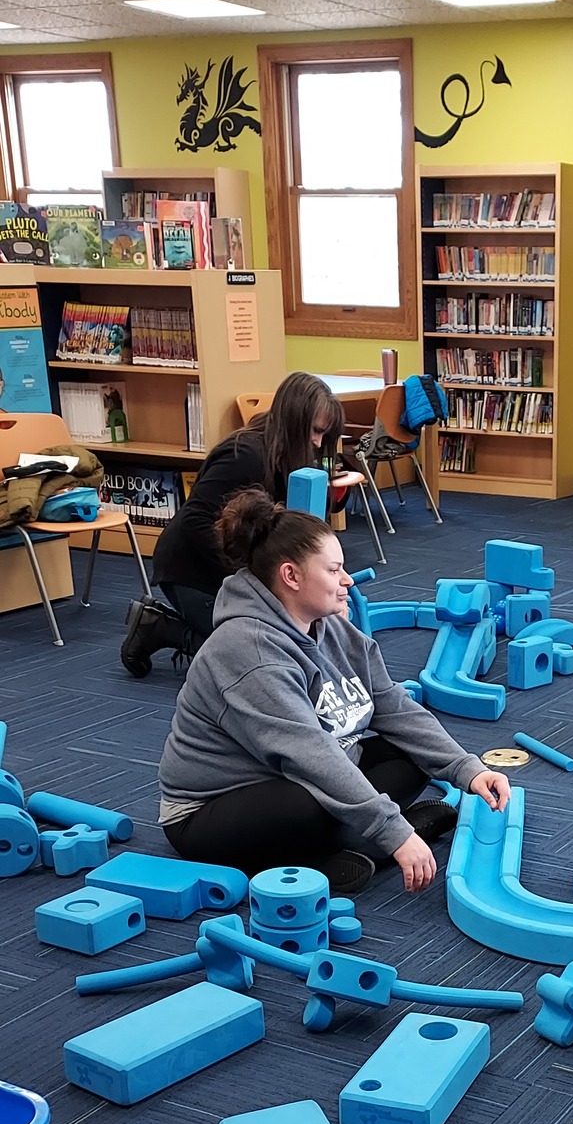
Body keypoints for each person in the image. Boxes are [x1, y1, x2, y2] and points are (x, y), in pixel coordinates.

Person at [158, 488, 509, 895]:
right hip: (211, 810)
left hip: (302, 770)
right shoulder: (248, 650)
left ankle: (355, 844)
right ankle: (335, 855)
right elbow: (309, 754)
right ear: (291, 576)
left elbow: (394, 706)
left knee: (410, 753)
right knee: (309, 802)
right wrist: (394, 831)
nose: (346, 581)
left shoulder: (328, 624)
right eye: (333, 570)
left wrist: (468, 769)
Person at [121, 370, 344, 675]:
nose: (318, 444)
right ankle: (158, 627)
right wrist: (251, 580)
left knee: (283, 642)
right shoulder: (244, 456)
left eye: (324, 435)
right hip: (192, 568)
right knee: (245, 656)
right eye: (314, 432)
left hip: (243, 567)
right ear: (294, 423)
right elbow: (195, 521)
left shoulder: (293, 456)